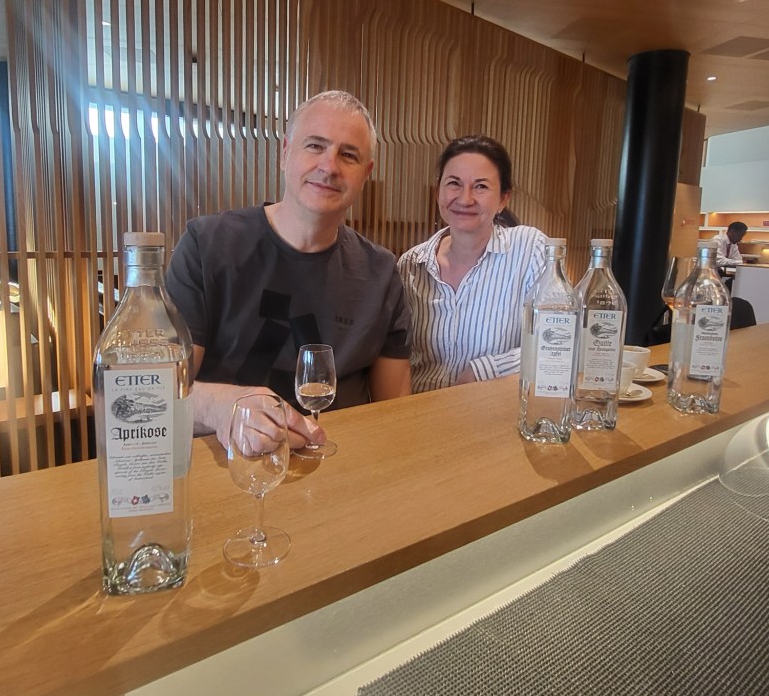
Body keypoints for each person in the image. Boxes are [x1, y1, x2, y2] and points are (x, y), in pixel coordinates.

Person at [166, 90, 412, 448]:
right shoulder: (208, 246)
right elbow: (163, 391)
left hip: (341, 461)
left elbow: (397, 413)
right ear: (285, 153)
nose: (329, 166)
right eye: (315, 146)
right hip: (228, 463)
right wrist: (220, 406)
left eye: (348, 155)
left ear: (366, 174)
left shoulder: (381, 272)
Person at [397, 136, 548, 393]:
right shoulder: (411, 265)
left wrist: (485, 370)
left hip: (493, 409)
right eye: (454, 183)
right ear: (438, 192)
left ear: (504, 198)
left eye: (480, 186)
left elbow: (560, 342)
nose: (465, 199)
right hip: (420, 410)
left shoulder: (530, 249)